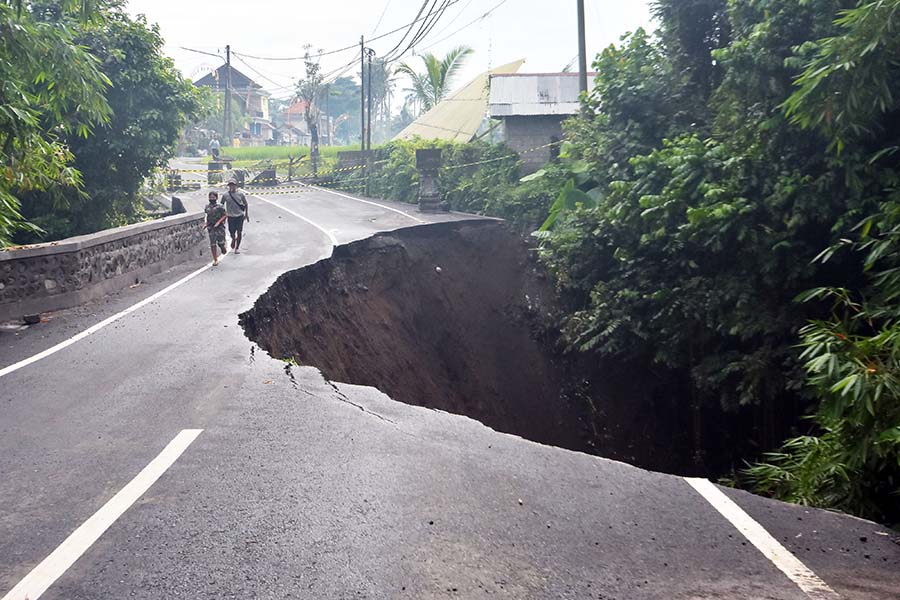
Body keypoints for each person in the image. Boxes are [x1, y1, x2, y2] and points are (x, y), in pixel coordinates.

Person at [223, 179, 249, 253]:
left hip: (239, 216)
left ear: (236, 186)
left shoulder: (241, 194)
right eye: (230, 185)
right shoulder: (225, 195)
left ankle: (237, 248)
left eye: (233, 185)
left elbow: (245, 204)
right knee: (232, 232)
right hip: (231, 216)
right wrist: (224, 215)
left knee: (239, 232)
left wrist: (246, 214)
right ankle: (233, 239)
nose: (232, 187)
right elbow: (221, 205)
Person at [204, 191, 227, 266]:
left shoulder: (220, 206)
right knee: (212, 244)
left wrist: (219, 222)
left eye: (213, 197)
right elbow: (208, 216)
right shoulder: (207, 207)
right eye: (210, 197)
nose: (211, 199)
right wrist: (206, 224)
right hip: (211, 227)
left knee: (221, 242)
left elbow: (225, 215)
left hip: (220, 227)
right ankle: (215, 259)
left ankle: (222, 247)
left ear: (216, 198)